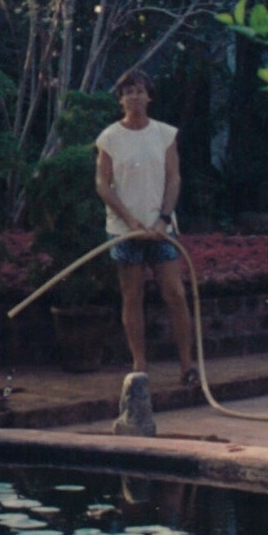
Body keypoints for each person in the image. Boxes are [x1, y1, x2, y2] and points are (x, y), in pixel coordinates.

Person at [95, 68, 197, 385]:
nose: (134, 97)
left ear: (148, 96)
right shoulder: (109, 137)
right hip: (124, 230)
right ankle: (140, 364)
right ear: (120, 99)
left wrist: (163, 219)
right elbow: (102, 183)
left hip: (161, 228)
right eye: (128, 92)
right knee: (132, 295)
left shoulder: (165, 134)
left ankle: (187, 365)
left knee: (175, 293)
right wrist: (129, 219)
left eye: (139, 90)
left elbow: (174, 178)